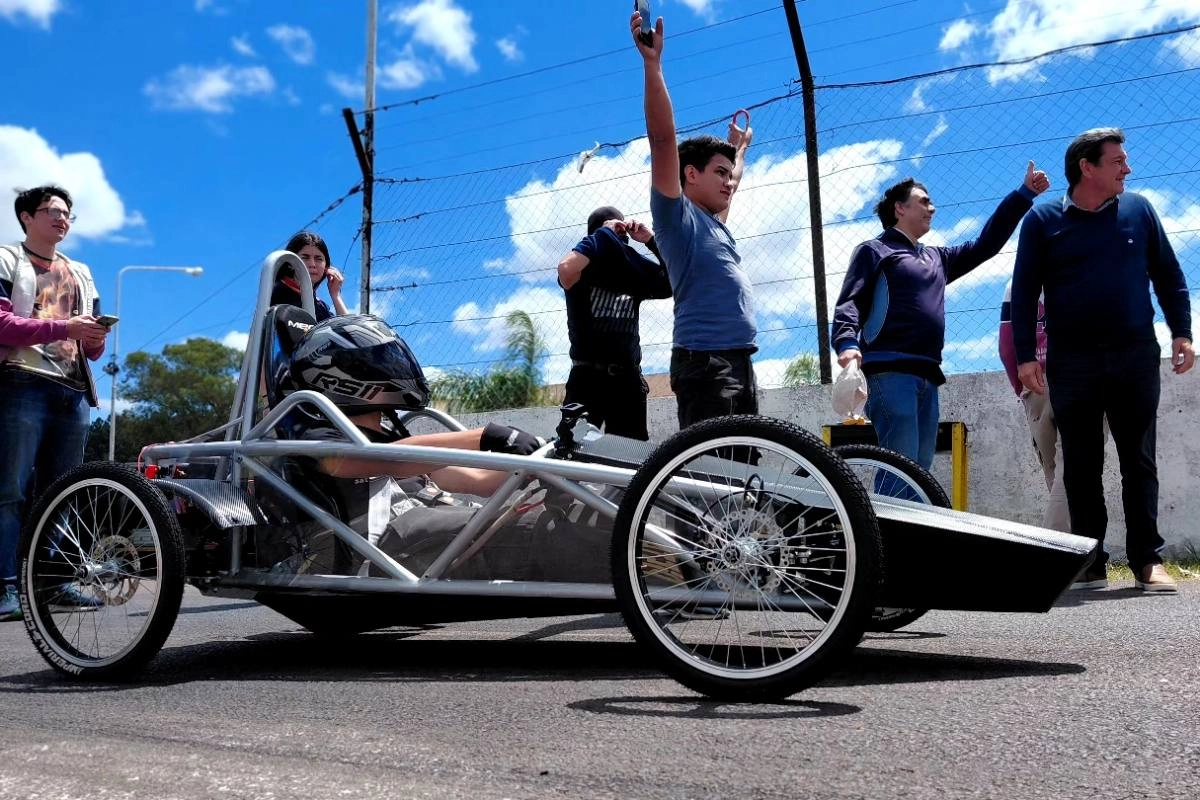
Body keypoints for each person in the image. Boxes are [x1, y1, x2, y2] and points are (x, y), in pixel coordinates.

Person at [1011, 127, 1192, 593]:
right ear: (1086, 167)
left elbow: (1168, 275)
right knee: (1082, 464)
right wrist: (1028, 358)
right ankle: (1090, 561)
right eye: (1117, 162)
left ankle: (1146, 560)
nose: (1127, 169)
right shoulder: (1042, 221)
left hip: (1134, 356)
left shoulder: (1139, 210)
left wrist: (1183, 333)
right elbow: (1027, 290)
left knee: (1139, 459)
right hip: (1072, 362)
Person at [831, 165, 1050, 470]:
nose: (932, 208)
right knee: (900, 469)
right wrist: (846, 343)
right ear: (899, 208)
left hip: (928, 375)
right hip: (890, 372)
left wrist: (1024, 195)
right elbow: (849, 302)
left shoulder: (937, 258)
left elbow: (985, 245)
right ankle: (889, 520)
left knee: (918, 471)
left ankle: (902, 519)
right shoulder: (874, 251)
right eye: (923, 201)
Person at [632, 8, 757, 430]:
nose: (729, 183)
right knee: (709, 476)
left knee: (741, 474)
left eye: (728, 175)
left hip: (739, 358)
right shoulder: (676, 217)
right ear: (690, 174)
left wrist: (738, 152)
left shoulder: (715, 222)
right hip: (705, 363)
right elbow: (663, 139)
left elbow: (733, 181)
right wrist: (653, 64)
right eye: (718, 174)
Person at [276, 311, 542, 500]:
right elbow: (386, 459)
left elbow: (479, 482)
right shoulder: (317, 438)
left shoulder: (391, 438)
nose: (390, 367)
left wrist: (538, 463)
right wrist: (486, 436)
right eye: (376, 361)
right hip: (391, 551)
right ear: (338, 377)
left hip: (436, 546)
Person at [0, 186, 110, 621]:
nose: (62, 219)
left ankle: (54, 579)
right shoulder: (7, 259)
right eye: (52, 211)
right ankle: (5, 587)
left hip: (72, 389)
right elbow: (3, 325)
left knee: (62, 491)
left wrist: (95, 336)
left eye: (68, 214)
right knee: (9, 489)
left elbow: (93, 348)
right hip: (20, 382)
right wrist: (67, 327)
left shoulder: (81, 271)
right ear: (26, 217)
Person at [558, 206, 671, 439]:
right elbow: (566, 270)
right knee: (570, 452)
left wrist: (650, 240)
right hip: (587, 379)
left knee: (630, 461)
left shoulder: (632, 267)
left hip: (627, 382)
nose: (619, 242)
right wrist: (604, 233)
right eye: (613, 235)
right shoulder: (584, 267)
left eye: (621, 236)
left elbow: (673, 282)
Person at [272, 231, 349, 321]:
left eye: (318, 259)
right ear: (290, 262)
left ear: (326, 266)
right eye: (305, 257)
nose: (312, 264)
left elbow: (348, 332)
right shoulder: (277, 294)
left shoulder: (320, 306)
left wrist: (335, 295)